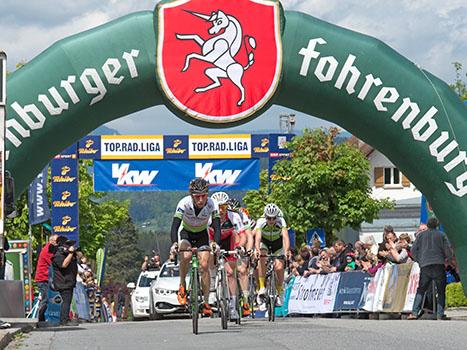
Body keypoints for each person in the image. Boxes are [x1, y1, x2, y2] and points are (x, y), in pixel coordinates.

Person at [169, 178, 221, 317]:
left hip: (202, 235)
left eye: (203, 196)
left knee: (204, 265)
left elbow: (216, 226)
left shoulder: (212, 204)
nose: (200, 200)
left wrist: (216, 243)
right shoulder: (184, 203)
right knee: (185, 255)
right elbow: (174, 226)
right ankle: (182, 285)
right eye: (197, 196)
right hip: (186, 232)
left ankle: (205, 301)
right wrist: (174, 243)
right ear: (192, 196)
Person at [209, 191, 246, 321]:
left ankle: (233, 306)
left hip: (228, 242)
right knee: (208, 256)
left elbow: (242, 235)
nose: (221, 210)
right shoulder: (209, 217)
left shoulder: (234, 216)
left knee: (230, 273)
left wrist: (239, 247)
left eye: (224, 207)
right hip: (213, 240)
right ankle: (213, 288)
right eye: (218, 207)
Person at [408, 217, 453, 320]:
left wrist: (420, 260)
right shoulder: (441, 235)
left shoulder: (420, 236)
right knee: (441, 290)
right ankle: (439, 314)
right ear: (437, 225)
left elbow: (413, 251)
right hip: (438, 264)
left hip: (425, 265)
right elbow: (448, 250)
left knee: (421, 290)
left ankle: (414, 313)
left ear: (427, 225)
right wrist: (447, 260)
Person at [254, 203, 290, 306]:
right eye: (269, 218)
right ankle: (261, 287)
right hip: (265, 242)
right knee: (262, 256)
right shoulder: (261, 222)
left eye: (273, 218)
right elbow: (258, 238)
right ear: (265, 216)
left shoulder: (281, 221)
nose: (271, 221)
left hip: (277, 244)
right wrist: (256, 250)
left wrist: (287, 251)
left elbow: (286, 237)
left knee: (279, 268)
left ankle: (280, 291)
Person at [52, 236, 79, 326]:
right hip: (63, 282)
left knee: (68, 301)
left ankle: (66, 318)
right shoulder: (57, 256)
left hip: (68, 282)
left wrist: (75, 253)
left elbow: (81, 258)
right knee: (66, 301)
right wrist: (70, 253)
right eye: (67, 245)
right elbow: (64, 265)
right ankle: (64, 320)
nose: (69, 247)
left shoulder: (67, 254)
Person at [34, 234, 58, 324]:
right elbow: (53, 262)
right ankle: (40, 318)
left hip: (45, 277)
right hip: (42, 278)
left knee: (45, 299)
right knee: (45, 299)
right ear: (51, 241)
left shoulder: (49, 249)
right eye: (56, 241)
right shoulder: (48, 250)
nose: (57, 244)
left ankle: (42, 318)